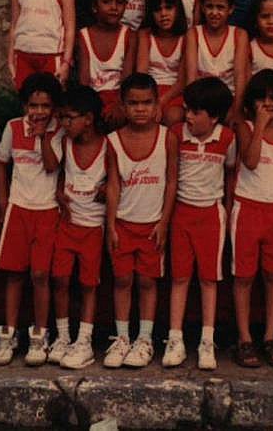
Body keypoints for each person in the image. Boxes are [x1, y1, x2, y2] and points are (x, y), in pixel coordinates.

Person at [103, 74, 178, 369]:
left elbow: (172, 182)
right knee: (122, 280)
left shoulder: (167, 137)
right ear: (123, 106)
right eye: (133, 103)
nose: (140, 109)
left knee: (147, 281)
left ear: (157, 104)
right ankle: (122, 337)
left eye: (146, 103)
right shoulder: (113, 141)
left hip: (152, 224)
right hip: (123, 223)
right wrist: (110, 225)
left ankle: (144, 338)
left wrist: (164, 222)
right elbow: (112, 185)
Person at [162, 77, 237, 371]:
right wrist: (166, 219)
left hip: (211, 216)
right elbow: (171, 178)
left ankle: (207, 341)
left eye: (195, 112)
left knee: (208, 279)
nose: (188, 117)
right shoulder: (176, 134)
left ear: (214, 117)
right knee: (180, 278)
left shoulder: (227, 138)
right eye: (187, 110)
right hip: (181, 213)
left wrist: (228, 212)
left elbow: (230, 174)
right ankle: (175, 339)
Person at [0, 72, 63, 367]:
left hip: (47, 210)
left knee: (41, 275)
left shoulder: (58, 131)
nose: (39, 112)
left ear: (54, 108)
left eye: (45, 106)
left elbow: (51, 166)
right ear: (24, 106)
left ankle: (40, 334)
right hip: (18, 209)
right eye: (34, 106)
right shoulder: (12, 127)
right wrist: (3, 200)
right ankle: (8, 335)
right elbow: (0, 163)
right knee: (14, 274)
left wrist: (43, 136)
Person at [229, 69, 273, 368]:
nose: (268, 104)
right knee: (244, 277)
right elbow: (251, 160)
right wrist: (258, 125)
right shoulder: (244, 128)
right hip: (247, 210)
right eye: (262, 99)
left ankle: (270, 336)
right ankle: (244, 338)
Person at [42, 86, 107, 370]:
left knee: (88, 284)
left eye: (70, 118)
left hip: (93, 226)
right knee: (59, 279)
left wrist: (108, 188)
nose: (64, 123)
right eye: (62, 118)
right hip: (67, 224)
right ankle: (63, 336)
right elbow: (53, 168)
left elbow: (119, 178)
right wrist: (58, 190)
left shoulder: (108, 145)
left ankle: (84, 340)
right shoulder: (64, 141)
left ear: (88, 119)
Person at [77, 0, 135, 130]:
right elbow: (84, 80)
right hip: (94, 98)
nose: (114, 7)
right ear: (94, 6)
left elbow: (127, 78)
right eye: (107, 2)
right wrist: (93, 107)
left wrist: (118, 105)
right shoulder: (84, 35)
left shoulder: (129, 35)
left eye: (119, 2)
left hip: (120, 98)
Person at [185, 0, 248, 113]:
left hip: (229, 101)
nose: (214, 12)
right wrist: (193, 109)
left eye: (220, 7)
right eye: (209, 6)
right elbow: (191, 78)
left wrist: (237, 110)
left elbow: (240, 76)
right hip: (200, 101)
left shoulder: (239, 35)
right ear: (202, 7)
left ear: (231, 9)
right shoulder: (193, 34)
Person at [136, 0, 188, 126]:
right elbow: (142, 74)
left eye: (168, 8)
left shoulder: (186, 37)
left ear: (177, 9)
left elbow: (182, 82)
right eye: (158, 10)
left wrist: (161, 101)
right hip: (150, 90)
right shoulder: (145, 35)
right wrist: (151, 101)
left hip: (175, 93)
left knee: (173, 116)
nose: (163, 14)